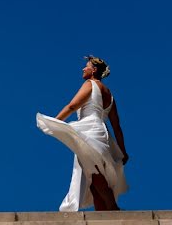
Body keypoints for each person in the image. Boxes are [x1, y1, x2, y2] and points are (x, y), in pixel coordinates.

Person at [36, 55, 129, 211]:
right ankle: (105, 214)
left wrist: (54, 121)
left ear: (93, 70)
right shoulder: (109, 95)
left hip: (89, 130)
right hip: (101, 132)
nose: (83, 68)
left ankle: (113, 208)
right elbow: (116, 126)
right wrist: (123, 150)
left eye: (86, 66)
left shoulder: (90, 84)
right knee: (92, 181)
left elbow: (72, 106)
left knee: (94, 172)